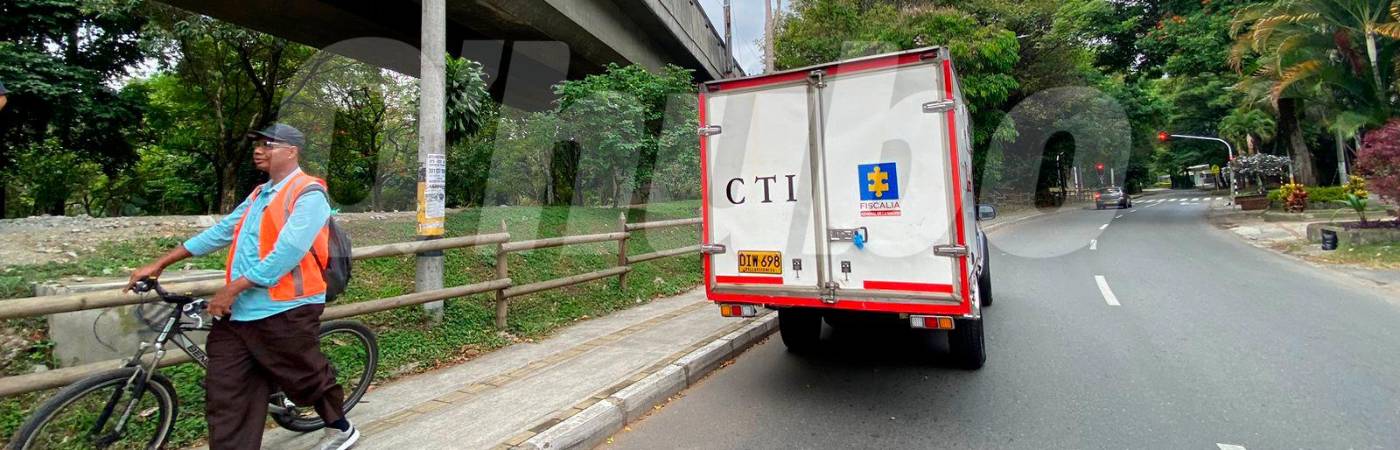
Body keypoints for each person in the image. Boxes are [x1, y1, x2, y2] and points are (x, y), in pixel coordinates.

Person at [126, 123, 359, 450]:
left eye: (268, 145)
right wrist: (161, 262)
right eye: (257, 144)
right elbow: (219, 234)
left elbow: (287, 253)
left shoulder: (309, 193)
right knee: (226, 391)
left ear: (291, 151)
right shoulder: (258, 195)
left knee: (305, 378)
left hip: (287, 309)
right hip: (240, 314)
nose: (258, 150)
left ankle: (339, 427)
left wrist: (231, 289)